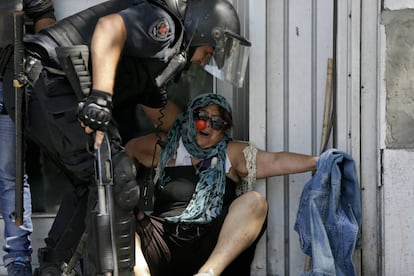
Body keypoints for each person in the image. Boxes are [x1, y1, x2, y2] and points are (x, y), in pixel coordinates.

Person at [2, 0, 251, 274]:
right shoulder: (165, 26)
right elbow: (109, 29)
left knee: (96, 179)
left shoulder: (166, 55)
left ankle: (55, 267)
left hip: (43, 84)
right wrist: (101, 99)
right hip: (46, 81)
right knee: (114, 176)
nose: (207, 59)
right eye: (210, 51)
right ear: (203, 30)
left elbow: (160, 110)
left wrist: (198, 137)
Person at [125, 93, 319, 276]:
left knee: (255, 201)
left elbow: (275, 161)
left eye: (217, 122)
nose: (207, 125)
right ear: (190, 118)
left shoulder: (231, 152)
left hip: (210, 243)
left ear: (223, 131)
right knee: (122, 212)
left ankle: (208, 274)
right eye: (201, 116)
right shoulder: (166, 147)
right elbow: (129, 151)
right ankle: (141, 273)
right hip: (162, 241)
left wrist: (318, 162)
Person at [0, 1, 56, 275]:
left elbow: (44, 18)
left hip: (9, 80)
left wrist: (38, 64)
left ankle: (18, 258)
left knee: (12, 174)